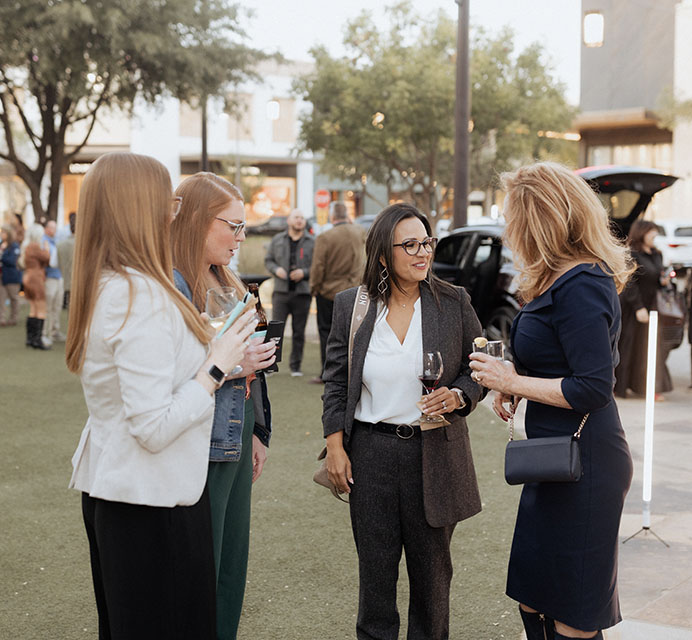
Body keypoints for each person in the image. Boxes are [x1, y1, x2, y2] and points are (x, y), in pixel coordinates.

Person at [66, 153, 257, 640]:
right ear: (140, 208)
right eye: (168, 199)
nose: (174, 210)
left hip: (124, 491)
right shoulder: (141, 293)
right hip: (153, 501)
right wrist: (218, 364)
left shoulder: (110, 283)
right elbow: (152, 427)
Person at [469, 162, 634, 640]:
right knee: (533, 596)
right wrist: (513, 383)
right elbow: (560, 366)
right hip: (552, 460)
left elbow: (592, 387)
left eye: (511, 217)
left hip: (587, 465)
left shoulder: (583, 283)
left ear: (538, 219)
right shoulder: (556, 279)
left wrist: (513, 382)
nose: (507, 228)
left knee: (571, 615)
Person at [322, 202, 485, 640]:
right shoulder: (350, 308)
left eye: (426, 242)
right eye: (409, 244)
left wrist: (459, 395)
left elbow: (479, 366)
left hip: (432, 454)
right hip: (371, 455)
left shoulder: (452, 302)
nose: (422, 252)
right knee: (375, 584)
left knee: (432, 586)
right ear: (382, 255)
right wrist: (335, 446)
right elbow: (336, 381)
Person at [171, 171, 275, 640]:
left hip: (238, 421)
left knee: (232, 560)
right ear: (195, 220)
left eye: (242, 227)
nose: (240, 237)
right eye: (231, 226)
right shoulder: (172, 282)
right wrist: (234, 365)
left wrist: (259, 430)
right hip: (201, 430)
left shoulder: (228, 280)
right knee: (200, 561)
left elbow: (251, 363)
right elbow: (176, 372)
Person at [614, 219, 672, 401]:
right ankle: (620, 386)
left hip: (652, 305)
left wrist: (663, 281)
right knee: (628, 345)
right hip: (633, 307)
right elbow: (629, 282)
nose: (654, 235)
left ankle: (648, 387)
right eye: (650, 232)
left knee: (649, 348)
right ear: (641, 234)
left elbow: (656, 277)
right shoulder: (631, 254)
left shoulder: (656, 254)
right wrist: (638, 307)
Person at [310, 201, 366, 383]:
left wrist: (314, 287)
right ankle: (354, 373)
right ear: (346, 215)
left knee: (327, 333)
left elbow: (318, 266)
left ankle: (328, 374)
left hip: (329, 292)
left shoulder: (325, 237)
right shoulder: (360, 232)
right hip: (355, 291)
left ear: (332, 216)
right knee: (354, 333)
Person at [264, 208, 314, 376]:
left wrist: (304, 273)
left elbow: (318, 266)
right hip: (281, 292)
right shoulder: (278, 239)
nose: (299, 220)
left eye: (302, 217)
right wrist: (276, 269)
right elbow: (268, 260)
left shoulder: (312, 241)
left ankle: (295, 367)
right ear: (289, 221)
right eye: (296, 217)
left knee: (299, 332)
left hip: (303, 293)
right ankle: (270, 365)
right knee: (275, 331)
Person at [20, 223, 51, 349]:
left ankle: (30, 339)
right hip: (36, 279)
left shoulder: (27, 246)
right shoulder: (35, 246)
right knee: (41, 309)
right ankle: (37, 340)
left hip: (28, 277)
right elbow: (47, 258)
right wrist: (47, 248)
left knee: (33, 309)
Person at [42, 219, 65, 346]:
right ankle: (45, 333)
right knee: (48, 307)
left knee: (57, 305)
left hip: (58, 276)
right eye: (52, 228)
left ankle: (55, 331)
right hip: (49, 277)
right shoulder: (43, 242)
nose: (54, 231)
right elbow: (46, 260)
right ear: (47, 228)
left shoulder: (56, 241)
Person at [1, 225, 22, 326]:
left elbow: (12, 261)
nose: (1, 234)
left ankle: (13, 318)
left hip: (12, 276)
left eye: (3, 232)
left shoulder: (14, 246)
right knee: (1, 298)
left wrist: (1, 255)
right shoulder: (1, 244)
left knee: (14, 298)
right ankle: (2, 319)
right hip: (2, 276)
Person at [58, 212, 76, 309]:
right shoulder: (87, 246)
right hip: (83, 285)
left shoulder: (61, 245)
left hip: (67, 282)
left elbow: (56, 263)